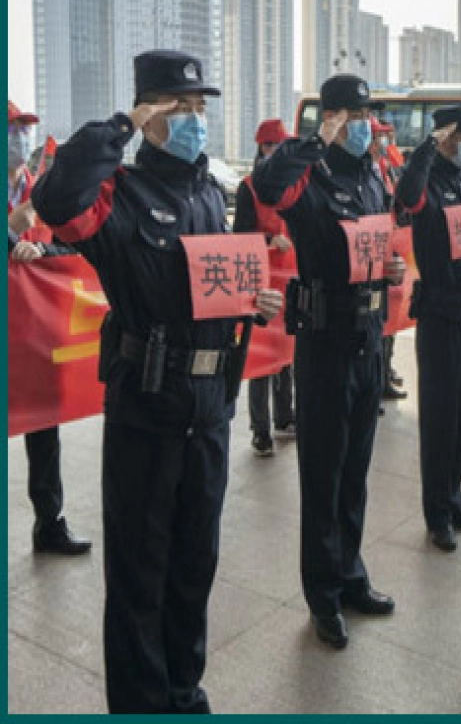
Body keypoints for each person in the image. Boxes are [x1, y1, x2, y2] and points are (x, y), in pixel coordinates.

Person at [33, 50, 283, 712]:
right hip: (146, 410)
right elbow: (56, 200)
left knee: (194, 566)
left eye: (202, 108)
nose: (197, 120)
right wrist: (120, 124)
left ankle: (183, 689)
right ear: (151, 118)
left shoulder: (209, 194)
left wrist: (249, 299)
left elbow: (207, 288)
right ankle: (143, 703)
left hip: (208, 408)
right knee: (140, 576)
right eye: (183, 109)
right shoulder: (119, 195)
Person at [251, 75, 406, 649]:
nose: (365, 124)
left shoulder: (372, 174)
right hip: (324, 342)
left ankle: (350, 576)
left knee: (355, 473)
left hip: (369, 336)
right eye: (355, 114)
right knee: (322, 475)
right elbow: (267, 187)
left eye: (368, 114)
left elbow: (376, 244)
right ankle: (322, 595)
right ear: (335, 117)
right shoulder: (308, 175)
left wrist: (389, 270)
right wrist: (316, 139)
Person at [396, 106, 461, 554]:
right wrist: (428, 146)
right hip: (440, 315)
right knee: (439, 420)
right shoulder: (429, 178)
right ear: (448, 138)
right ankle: (436, 513)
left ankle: (454, 498)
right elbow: (407, 194)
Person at [8, 100, 93, 556]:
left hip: (34, 338)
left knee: (44, 428)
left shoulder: (40, 195)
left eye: (24, 129)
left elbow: (70, 255)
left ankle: (49, 523)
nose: (19, 138)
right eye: (12, 130)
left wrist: (41, 254)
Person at [233, 118, 297, 456]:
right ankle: (261, 429)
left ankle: (285, 417)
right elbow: (240, 236)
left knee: (286, 352)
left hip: (289, 280)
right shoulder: (249, 188)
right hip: (260, 284)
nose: (280, 151)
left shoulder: (293, 184)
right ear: (263, 148)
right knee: (261, 358)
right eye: (275, 145)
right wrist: (269, 238)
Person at [368, 117, 408, 402]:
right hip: (371, 255)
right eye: (380, 138)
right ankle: (377, 381)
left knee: (389, 320)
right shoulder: (368, 173)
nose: (383, 143)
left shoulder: (383, 170)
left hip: (392, 248)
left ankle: (383, 375)